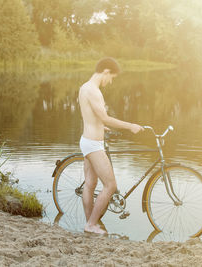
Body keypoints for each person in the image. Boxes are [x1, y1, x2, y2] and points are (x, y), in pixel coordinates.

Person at [78, 57, 144, 234]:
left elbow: (91, 116)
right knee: (110, 185)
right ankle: (91, 224)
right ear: (105, 72)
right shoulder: (94, 91)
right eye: (112, 77)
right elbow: (105, 117)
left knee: (90, 184)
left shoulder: (84, 87)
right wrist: (130, 126)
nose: (111, 81)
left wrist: (101, 126)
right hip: (93, 145)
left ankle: (90, 223)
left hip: (88, 140)